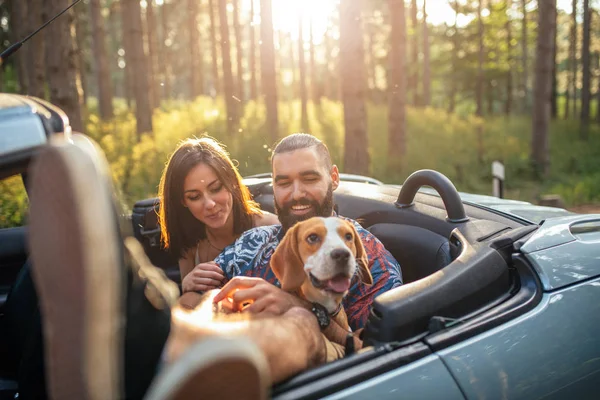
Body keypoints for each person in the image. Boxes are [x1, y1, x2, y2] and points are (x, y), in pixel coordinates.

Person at [212, 133, 403, 351]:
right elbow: (196, 296)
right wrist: (192, 285)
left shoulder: (370, 260)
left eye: (309, 179)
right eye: (283, 183)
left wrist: (302, 309)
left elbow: (375, 355)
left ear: (334, 178)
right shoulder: (251, 242)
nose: (296, 194)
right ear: (273, 186)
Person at [156, 137, 278, 300]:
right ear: (182, 201)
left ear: (232, 182)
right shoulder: (190, 245)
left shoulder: (272, 227)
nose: (210, 204)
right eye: (194, 196)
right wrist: (186, 285)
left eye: (216, 188)